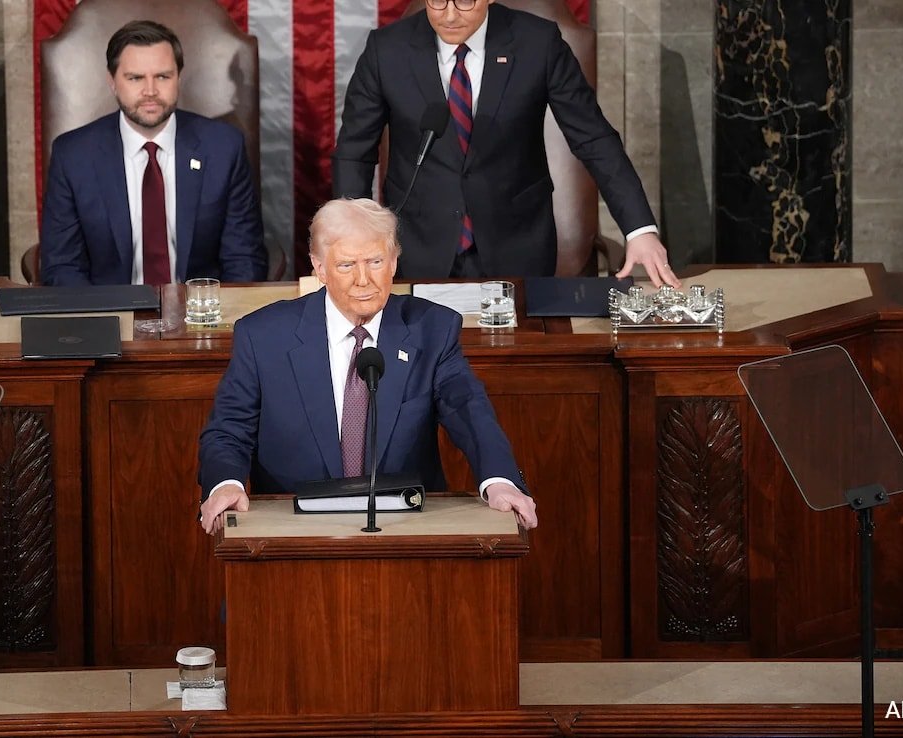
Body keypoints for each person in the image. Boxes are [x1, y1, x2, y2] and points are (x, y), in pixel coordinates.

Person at [198, 198, 537, 534]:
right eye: (346, 265)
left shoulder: (432, 329)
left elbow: (469, 410)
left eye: (375, 261)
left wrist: (499, 479)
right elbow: (229, 429)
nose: (363, 280)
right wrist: (226, 484)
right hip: (293, 526)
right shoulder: (264, 336)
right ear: (319, 268)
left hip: (405, 527)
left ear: (394, 262)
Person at [331, 0, 680, 287]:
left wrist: (639, 229)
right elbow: (354, 153)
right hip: (416, 247)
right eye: (437, 1)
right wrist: (352, 235)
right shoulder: (386, 50)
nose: (449, 15)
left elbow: (593, 138)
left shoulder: (537, 43)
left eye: (464, 1)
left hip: (517, 246)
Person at [40, 21, 266, 286]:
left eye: (162, 76)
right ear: (112, 82)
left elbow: (244, 259)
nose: (150, 91)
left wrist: (220, 311)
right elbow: (63, 266)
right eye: (135, 78)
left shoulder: (223, 148)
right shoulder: (73, 156)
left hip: (202, 308)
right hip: (108, 308)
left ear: (178, 78)